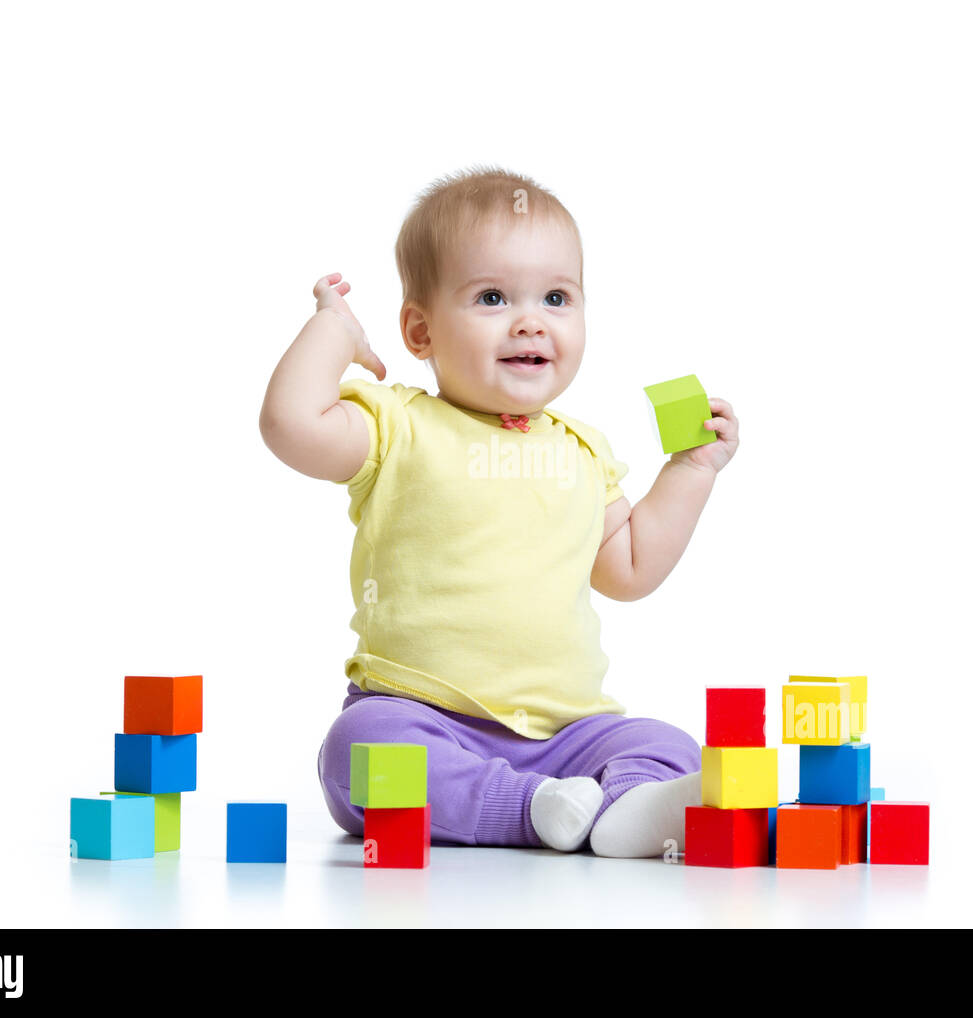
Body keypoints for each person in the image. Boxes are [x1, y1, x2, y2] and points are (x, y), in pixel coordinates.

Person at [259, 166, 739, 857]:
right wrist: (335, 331)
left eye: (556, 297)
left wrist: (691, 473)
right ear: (419, 332)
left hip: (567, 735)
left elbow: (630, 566)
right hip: (425, 721)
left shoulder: (581, 448)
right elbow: (289, 423)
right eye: (491, 297)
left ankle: (620, 809)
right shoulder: (397, 427)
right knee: (356, 753)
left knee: (666, 744)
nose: (530, 320)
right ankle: (535, 811)